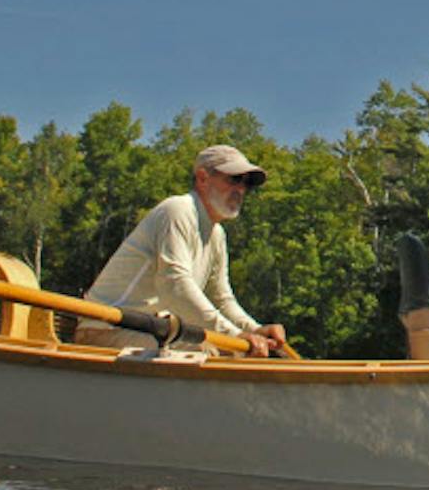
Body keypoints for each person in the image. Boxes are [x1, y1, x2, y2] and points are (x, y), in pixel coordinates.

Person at [74, 144, 290, 356]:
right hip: (104, 331)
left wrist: (253, 330)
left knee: (227, 349)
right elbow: (174, 284)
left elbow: (221, 298)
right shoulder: (178, 210)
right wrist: (233, 335)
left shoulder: (217, 234)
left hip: (152, 332)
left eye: (247, 183)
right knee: (218, 351)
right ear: (203, 178)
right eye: (234, 179)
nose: (241, 189)